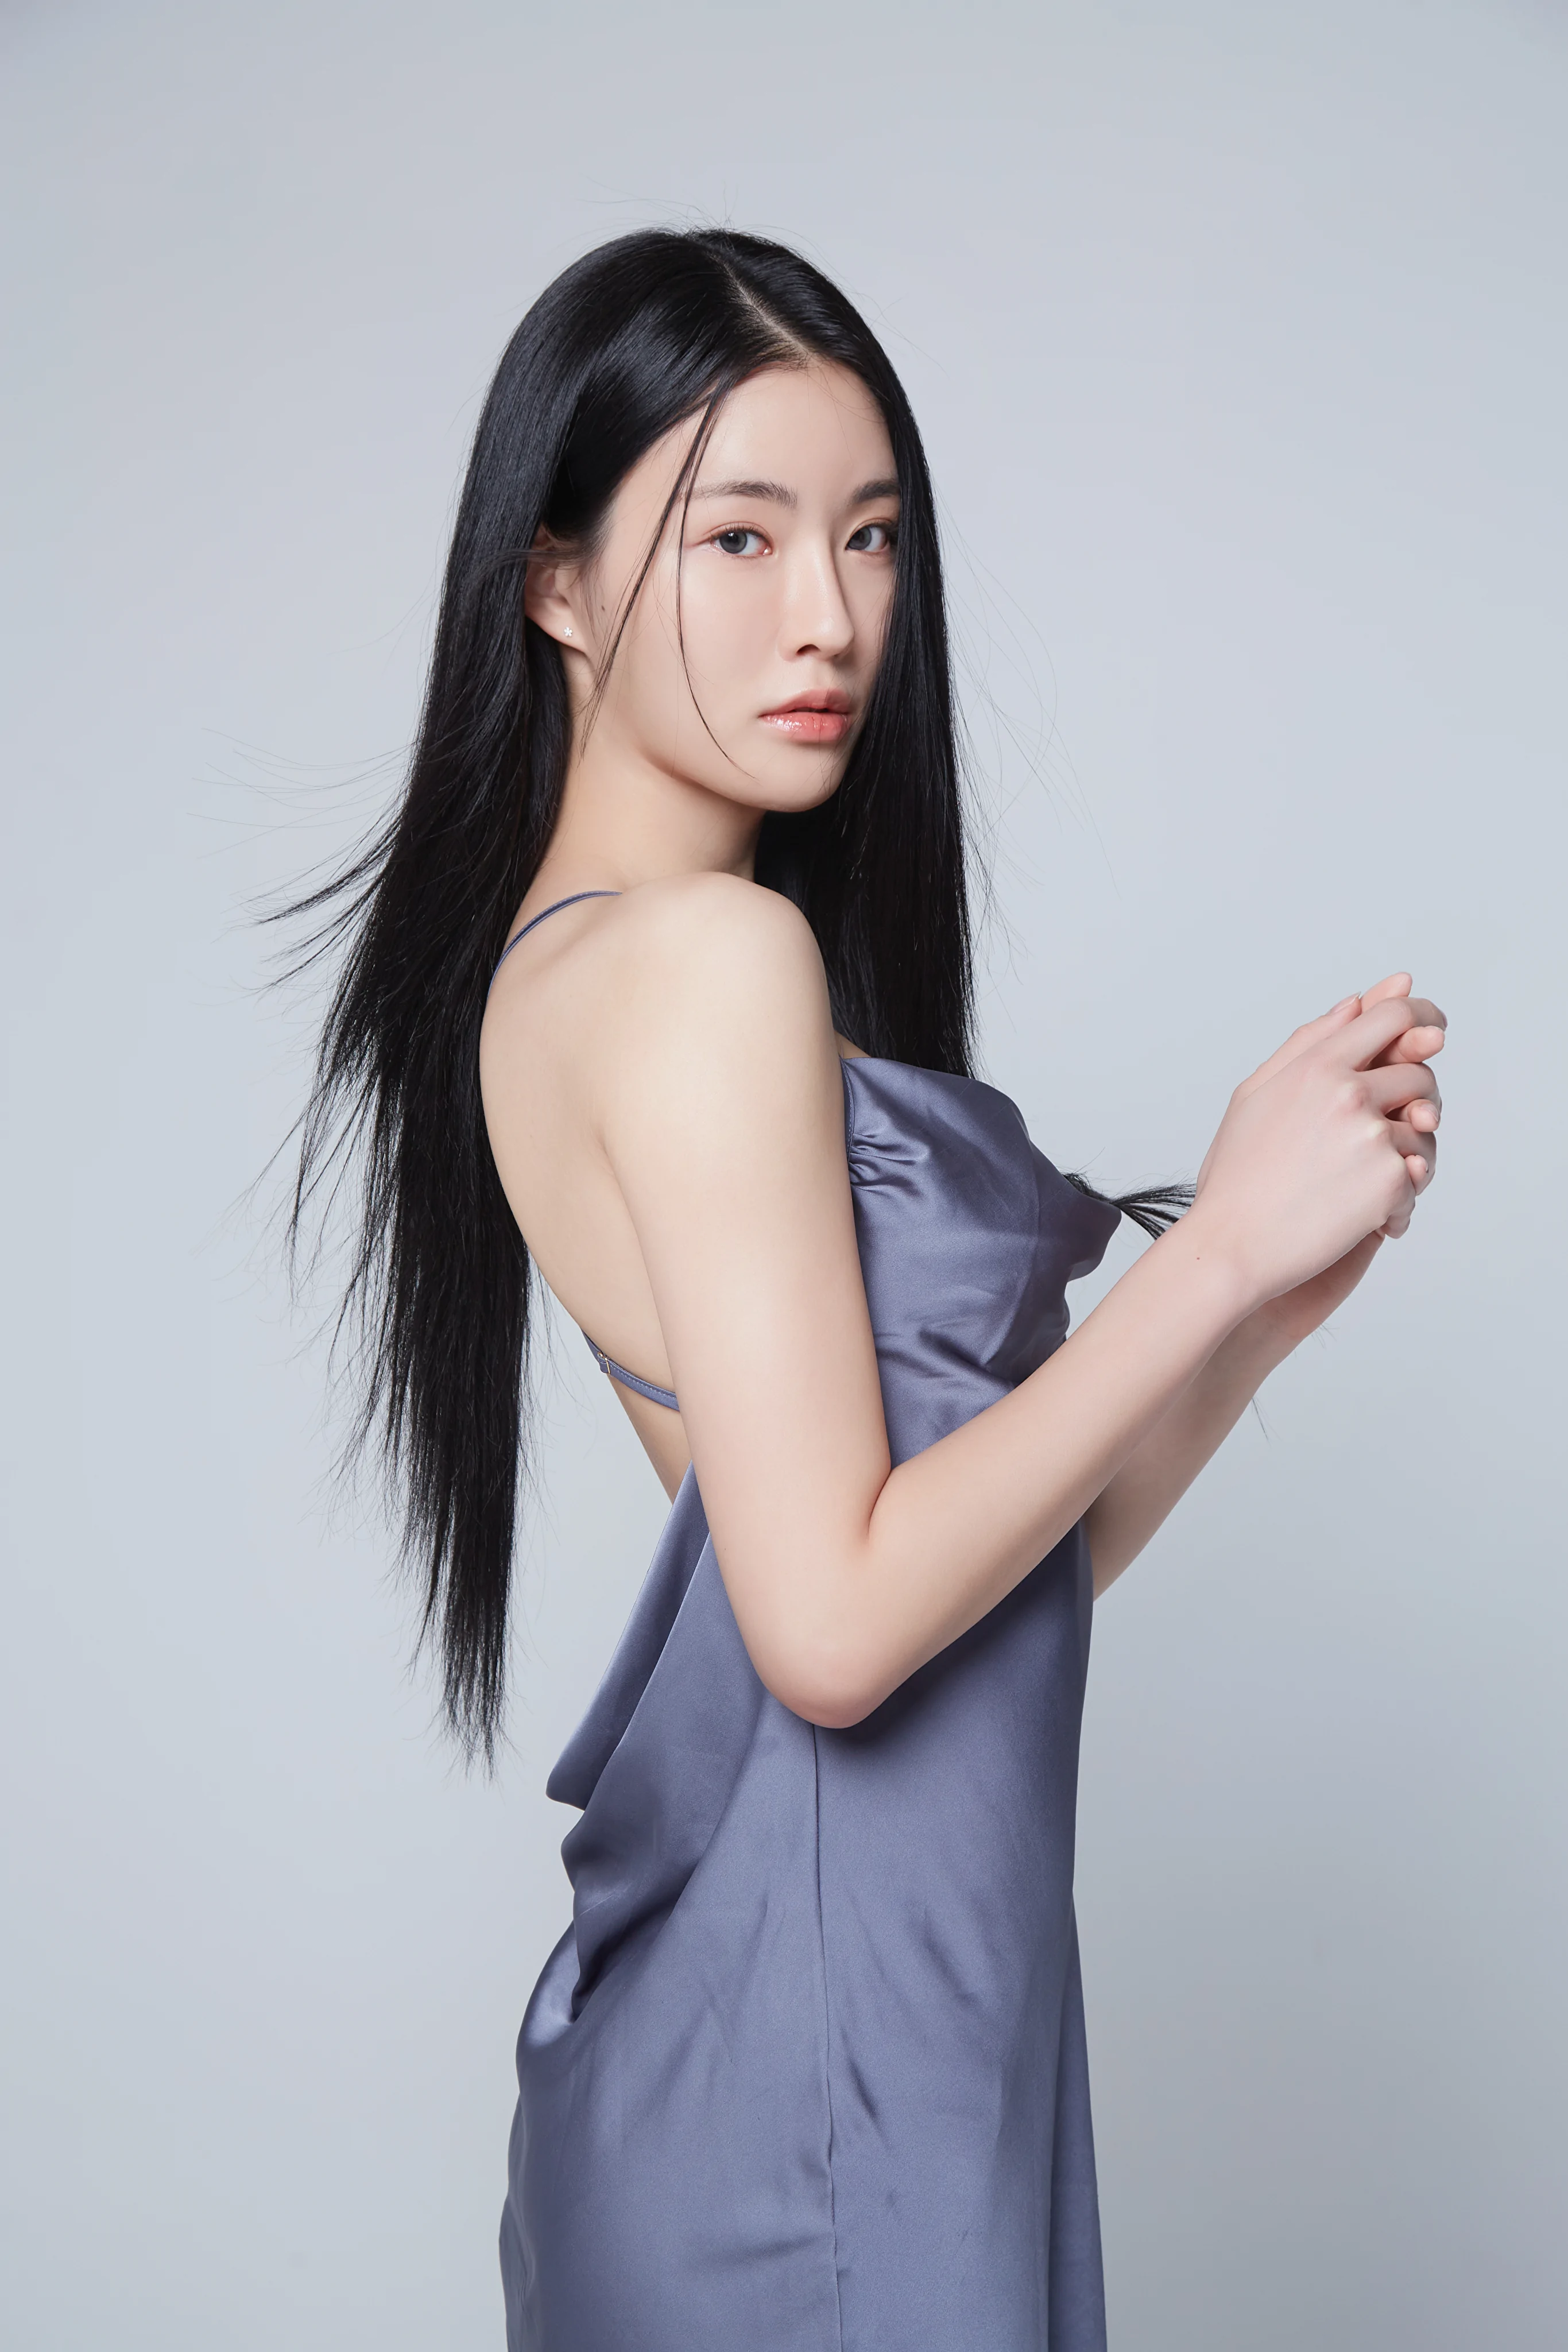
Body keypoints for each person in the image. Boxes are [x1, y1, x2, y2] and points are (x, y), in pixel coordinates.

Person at [289, 229, 1444, 2351]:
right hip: (819, 2077)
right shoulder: (705, 963)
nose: (829, 614)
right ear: (556, 582)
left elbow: (968, 1571)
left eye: (872, 534)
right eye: (738, 536)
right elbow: (831, 1629)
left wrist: (1258, 1294)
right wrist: (1209, 1267)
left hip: (873, 2020)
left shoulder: (588, 968)